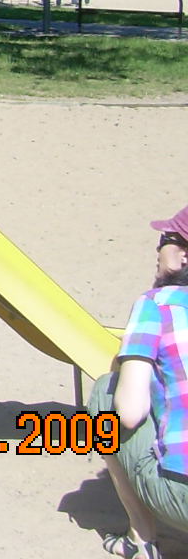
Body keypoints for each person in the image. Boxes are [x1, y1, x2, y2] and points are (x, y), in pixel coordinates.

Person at [87, 204, 188, 559]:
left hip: (182, 499)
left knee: (106, 392)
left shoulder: (157, 305)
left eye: (164, 240)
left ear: (184, 255)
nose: (157, 249)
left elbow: (129, 414)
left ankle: (141, 540)